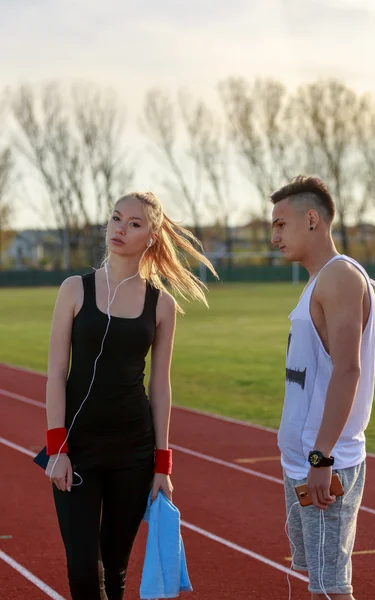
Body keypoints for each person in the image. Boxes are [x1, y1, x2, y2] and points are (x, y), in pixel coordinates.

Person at [44, 191, 217, 600]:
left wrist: (163, 464)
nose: (120, 228)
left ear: (152, 237)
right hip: (78, 448)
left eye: (135, 223)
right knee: (84, 573)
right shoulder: (74, 289)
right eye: (116, 218)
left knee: (116, 570)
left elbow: (160, 385)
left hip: (133, 454)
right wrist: (57, 448)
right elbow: (55, 374)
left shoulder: (162, 305)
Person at [270, 176, 375, 600]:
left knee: (331, 591)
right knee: (320, 586)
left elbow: (348, 371)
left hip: (323, 463)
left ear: (311, 219)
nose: (274, 236)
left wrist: (322, 457)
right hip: (303, 462)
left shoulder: (340, 278)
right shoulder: (319, 281)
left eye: (281, 224)